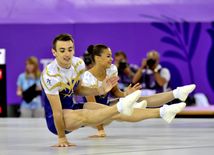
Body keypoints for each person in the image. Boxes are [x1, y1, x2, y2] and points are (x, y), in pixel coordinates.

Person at [41, 33, 195, 147]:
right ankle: (125, 106)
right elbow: (57, 111)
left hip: (79, 108)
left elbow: (78, 90)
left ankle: (163, 110)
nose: (67, 54)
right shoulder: (50, 74)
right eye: (62, 51)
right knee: (89, 113)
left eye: (70, 49)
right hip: (56, 119)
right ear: (54, 52)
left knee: (114, 108)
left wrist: (102, 89)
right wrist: (62, 139)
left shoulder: (79, 64)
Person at [82, 44, 195, 138]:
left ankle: (177, 93)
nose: (111, 59)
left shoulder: (111, 69)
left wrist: (126, 94)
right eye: (108, 56)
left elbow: (115, 92)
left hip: (105, 106)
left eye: (111, 56)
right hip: (93, 116)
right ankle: (160, 111)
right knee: (118, 110)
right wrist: (100, 131)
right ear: (97, 58)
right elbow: (93, 107)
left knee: (136, 99)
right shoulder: (88, 77)